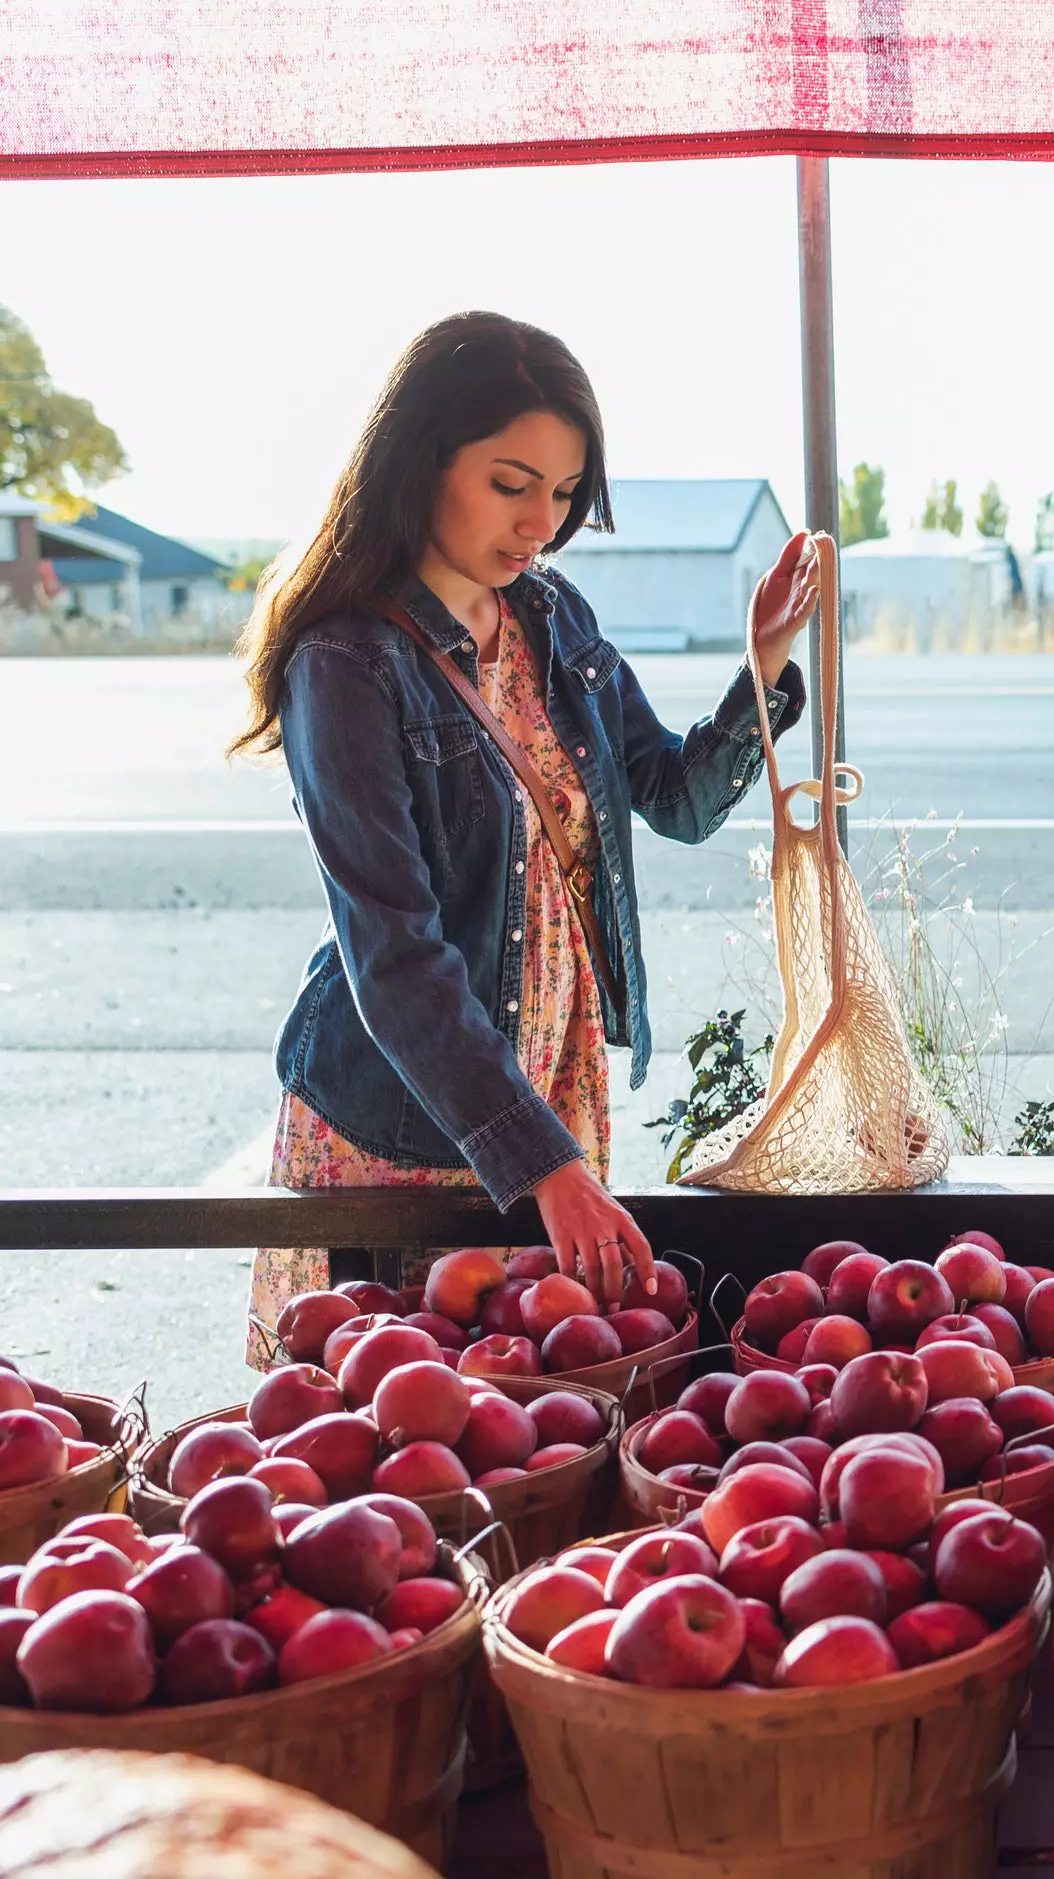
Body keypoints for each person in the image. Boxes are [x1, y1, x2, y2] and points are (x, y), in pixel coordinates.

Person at [230, 312, 815, 1363]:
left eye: (562, 492)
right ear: (420, 459)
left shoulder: (552, 616)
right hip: (411, 1128)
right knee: (402, 1453)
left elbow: (673, 799)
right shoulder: (347, 663)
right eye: (511, 483)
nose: (539, 520)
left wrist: (762, 668)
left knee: (548, 1422)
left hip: (552, 1100)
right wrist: (539, 1162)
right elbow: (394, 955)